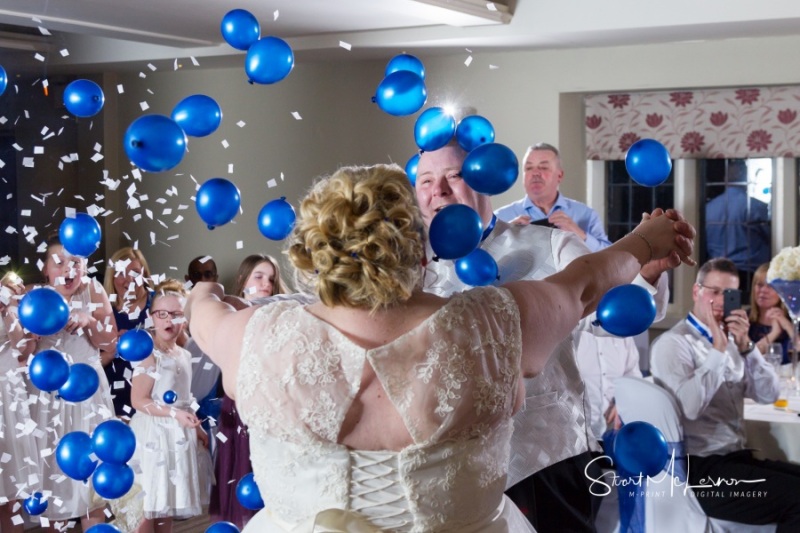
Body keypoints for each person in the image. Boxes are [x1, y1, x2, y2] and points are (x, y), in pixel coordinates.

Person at [187, 163, 694, 532]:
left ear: (312, 251)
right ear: (420, 243)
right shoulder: (490, 324)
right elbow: (585, 283)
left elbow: (202, 311)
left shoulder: (254, 335)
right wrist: (647, 241)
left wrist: (207, 290)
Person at [415, 141, 670, 532]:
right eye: (426, 180)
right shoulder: (406, 268)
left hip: (543, 464)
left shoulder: (550, 243)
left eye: (454, 176)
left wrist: (646, 272)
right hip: (449, 478)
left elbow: (607, 317)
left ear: (485, 178)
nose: (439, 190)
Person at [650, 257, 800, 530]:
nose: (721, 301)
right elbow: (691, 407)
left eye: (729, 293)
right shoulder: (673, 343)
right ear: (696, 291)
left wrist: (746, 347)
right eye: (714, 291)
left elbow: (770, 394)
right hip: (699, 472)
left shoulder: (734, 342)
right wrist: (718, 349)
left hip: (734, 458)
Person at [32, 235, 117, 531]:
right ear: (45, 269)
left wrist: (90, 320)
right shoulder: (35, 297)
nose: (69, 269)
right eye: (60, 263)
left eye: (76, 263)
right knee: (53, 480)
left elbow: (111, 345)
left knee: (91, 481)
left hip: (88, 396)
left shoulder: (93, 291)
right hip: (50, 401)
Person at [209, 253, 286, 529]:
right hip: (237, 402)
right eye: (259, 276)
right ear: (243, 280)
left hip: (272, 403)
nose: (266, 283)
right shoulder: (230, 315)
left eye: (271, 279)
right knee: (238, 469)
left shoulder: (282, 314)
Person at [129, 279, 212, 533]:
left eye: (176, 315)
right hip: (154, 434)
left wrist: (195, 424)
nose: (168, 320)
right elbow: (138, 400)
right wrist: (175, 413)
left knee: (167, 505)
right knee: (150, 505)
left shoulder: (184, 354)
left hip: (177, 434)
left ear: (184, 319)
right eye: (162, 314)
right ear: (152, 317)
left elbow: (184, 397)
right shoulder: (149, 353)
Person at [495, 142, 611, 252]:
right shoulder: (500, 218)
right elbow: (485, 257)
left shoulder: (586, 215)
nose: (535, 173)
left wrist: (579, 234)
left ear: (559, 175)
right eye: (529, 168)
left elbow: (609, 256)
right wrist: (506, 235)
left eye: (543, 168)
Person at [0, 272, 38, 533]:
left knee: (10, 490)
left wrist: (7, 310)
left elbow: (23, 350)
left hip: (8, 392)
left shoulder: (9, 298)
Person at [704, 159, 771, 297]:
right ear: (744, 177)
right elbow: (772, 237)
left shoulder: (708, 209)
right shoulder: (755, 207)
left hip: (717, 273)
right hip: (750, 274)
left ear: (725, 178)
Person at [104, 246, 154, 418]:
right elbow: (92, 361)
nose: (128, 280)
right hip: (111, 400)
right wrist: (112, 350)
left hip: (151, 399)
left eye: (134, 273)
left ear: (144, 275)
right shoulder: (103, 310)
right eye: (120, 273)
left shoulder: (158, 305)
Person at [574, 333, 642, 441]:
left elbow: (633, 376)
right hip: (575, 436)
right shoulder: (573, 331)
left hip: (611, 434)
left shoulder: (623, 333)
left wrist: (623, 402)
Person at [748, 262, 793, 363]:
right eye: (759, 285)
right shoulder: (744, 318)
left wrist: (787, 325)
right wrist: (774, 333)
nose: (763, 290)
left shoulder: (794, 317)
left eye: (770, 286)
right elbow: (749, 358)